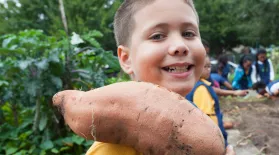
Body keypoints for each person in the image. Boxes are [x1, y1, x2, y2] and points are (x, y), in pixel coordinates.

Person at [53, 0, 235, 154]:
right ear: (126, 59)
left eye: (189, 34)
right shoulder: (111, 150)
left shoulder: (194, 117)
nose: (180, 46)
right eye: (157, 36)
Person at [186, 55, 228, 146]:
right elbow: (207, 118)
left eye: (209, 66)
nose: (208, 69)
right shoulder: (201, 89)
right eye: (205, 66)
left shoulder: (191, 85)